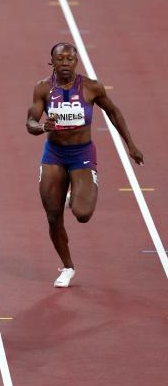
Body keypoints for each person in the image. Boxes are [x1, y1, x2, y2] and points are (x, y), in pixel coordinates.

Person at [26, 42, 143, 287]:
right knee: (52, 216)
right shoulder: (43, 88)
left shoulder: (91, 87)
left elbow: (114, 112)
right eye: (61, 59)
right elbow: (30, 121)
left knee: (83, 214)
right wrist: (41, 127)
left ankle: (75, 194)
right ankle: (68, 267)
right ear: (53, 62)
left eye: (70, 59)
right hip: (54, 155)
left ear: (76, 61)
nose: (66, 63)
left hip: (82, 154)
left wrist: (130, 145)